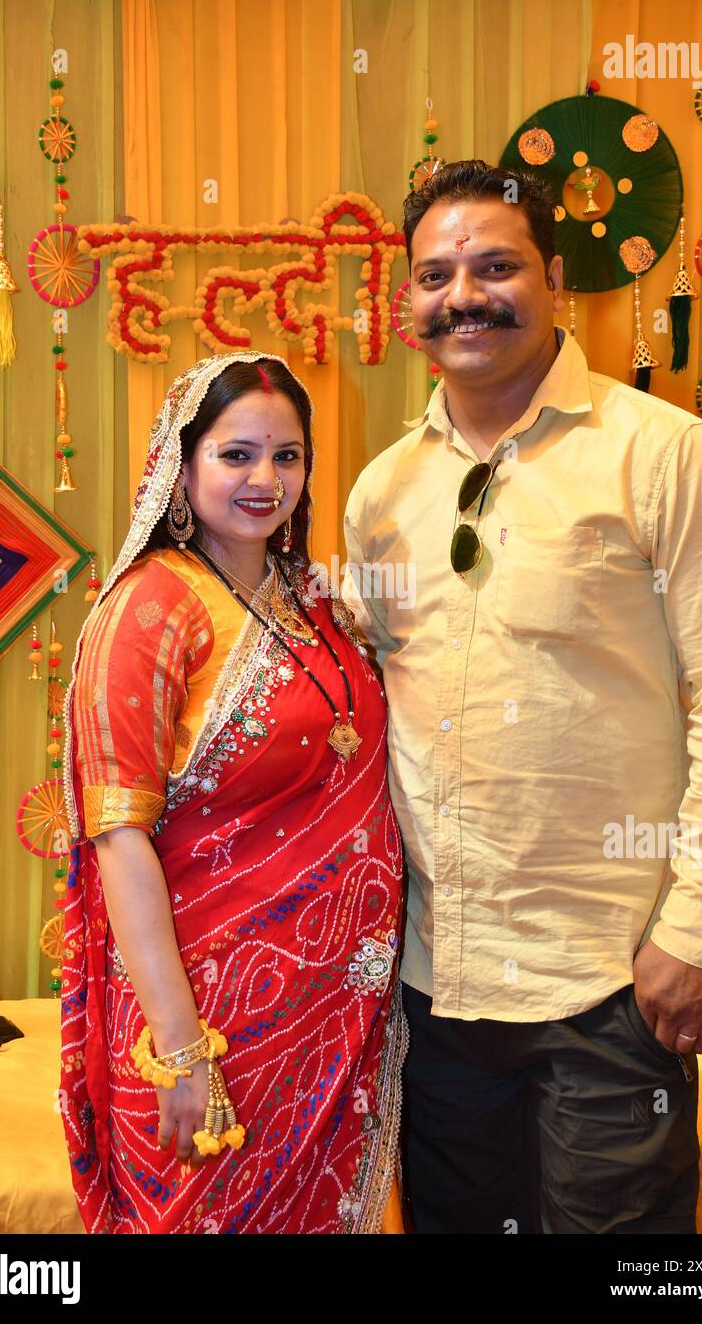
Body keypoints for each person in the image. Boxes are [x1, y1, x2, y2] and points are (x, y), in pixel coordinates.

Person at [342, 159, 702, 1235]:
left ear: (554, 277)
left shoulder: (665, 455)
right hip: (433, 982)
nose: (463, 294)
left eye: (495, 266)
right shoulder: (380, 488)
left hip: (608, 978)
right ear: (406, 301)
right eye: (434, 274)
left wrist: (694, 929)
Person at [60, 350, 406, 1234]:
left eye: (287, 456)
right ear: (182, 466)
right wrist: (181, 1049)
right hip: (207, 1024)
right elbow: (118, 838)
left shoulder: (310, 594)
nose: (266, 479)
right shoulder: (148, 611)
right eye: (236, 454)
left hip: (333, 1021)